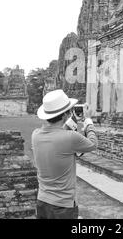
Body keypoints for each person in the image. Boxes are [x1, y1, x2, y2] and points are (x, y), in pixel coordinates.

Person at [31, 89, 97, 219]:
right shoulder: (70, 138)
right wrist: (88, 120)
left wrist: (72, 121)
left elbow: (57, 135)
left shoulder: (36, 135)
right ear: (66, 114)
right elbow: (93, 144)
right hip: (63, 206)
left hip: (43, 200)